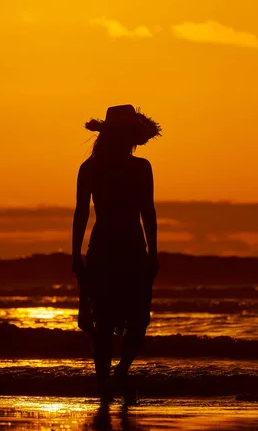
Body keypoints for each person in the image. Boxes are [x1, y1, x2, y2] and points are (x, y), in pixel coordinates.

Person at [72, 104, 161, 402]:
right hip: (126, 248)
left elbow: (147, 211)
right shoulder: (108, 168)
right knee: (127, 321)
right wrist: (153, 253)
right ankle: (112, 379)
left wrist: (76, 255)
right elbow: (81, 213)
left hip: (112, 249)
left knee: (117, 322)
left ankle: (113, 379)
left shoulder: (97, 168)